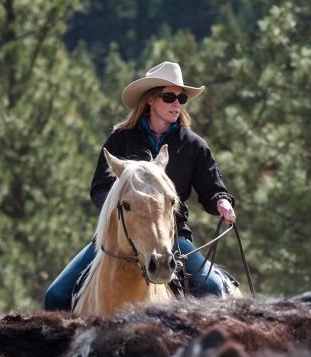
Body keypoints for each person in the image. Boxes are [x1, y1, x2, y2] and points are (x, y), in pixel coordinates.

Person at [44, 61, 237, 311]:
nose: (176, 103)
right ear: (150, 100)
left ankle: (206, 350)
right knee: (56, 297)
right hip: (117, 237)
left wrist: (221, 200)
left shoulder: (193, 145)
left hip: (172, 236)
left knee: (211, 289)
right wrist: (120, 204)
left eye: (181, 98)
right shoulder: (121, 139)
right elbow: (100, 188)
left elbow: (212, 187)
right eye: (169, 97)